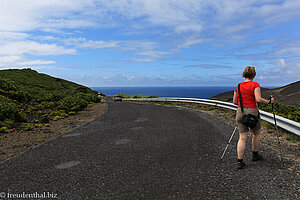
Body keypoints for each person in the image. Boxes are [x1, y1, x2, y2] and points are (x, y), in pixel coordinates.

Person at [233, 66, 274, 169]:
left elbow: (234, 102)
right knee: (256, 133)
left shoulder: (238, 86)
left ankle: (240, 161)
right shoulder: (255, 85)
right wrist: (269, 101)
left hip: (240, 112)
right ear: (254, 74)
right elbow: (258, 99)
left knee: (242, 138)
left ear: (244, 74)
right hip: (252, 112)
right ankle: (255, 155)